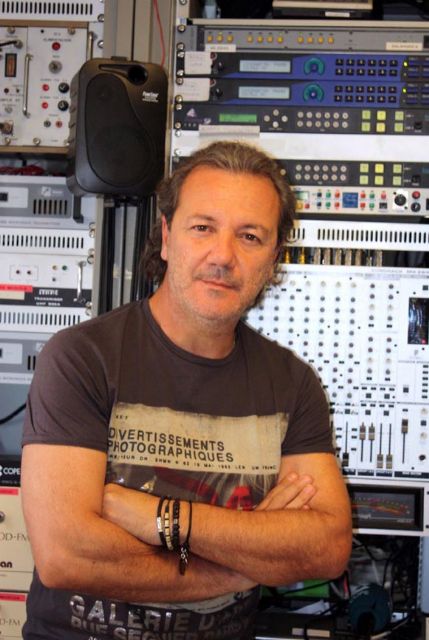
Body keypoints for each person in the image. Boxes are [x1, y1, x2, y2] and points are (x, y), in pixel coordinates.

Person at [21, 140, 352, 640]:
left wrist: (160, 517)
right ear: (167, 236)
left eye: (250, 236)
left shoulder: (292, 384)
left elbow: (325, 547)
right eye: (203, 228)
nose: (223, 256)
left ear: (273, 259)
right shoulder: (82, 359)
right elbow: (67, 556)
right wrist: (241, 567)